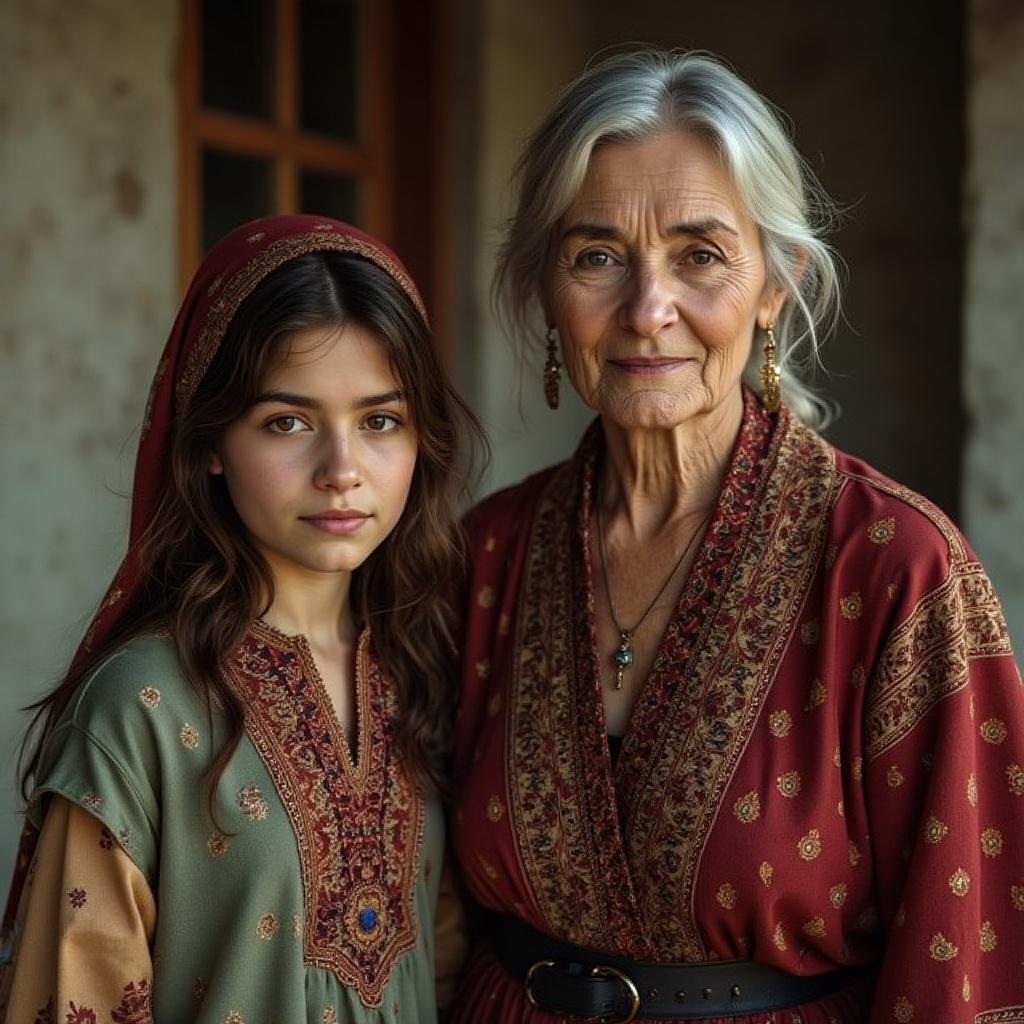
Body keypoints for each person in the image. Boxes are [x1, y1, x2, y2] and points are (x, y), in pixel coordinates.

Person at [450, 50, 1023, 1023]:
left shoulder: (893, 565)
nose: (646, 310)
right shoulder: (483, 557)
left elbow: (963, 954)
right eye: (597, 255)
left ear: (775, 284)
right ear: (546, 286)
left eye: (700, 254)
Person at [0, 214, 478, 1022]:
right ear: (212, 440)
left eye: (379, 421)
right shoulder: (139, 707)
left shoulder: (422, 666)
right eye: (287, 422)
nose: (341, 471)